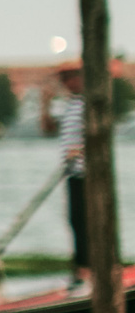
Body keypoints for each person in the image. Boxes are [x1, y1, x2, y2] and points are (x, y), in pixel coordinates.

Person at [58, 66, 89, 288]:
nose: (68, 82)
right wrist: (43, 102)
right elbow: (47, 128)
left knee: (86, 220)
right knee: (75, 221)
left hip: (88, 172)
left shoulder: (89, 104)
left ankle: (87, 269)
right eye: (64, 79)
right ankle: (80, 267)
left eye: (71, 77)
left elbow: (98, 132)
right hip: (72, 173)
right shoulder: (69, 107)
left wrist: (80, 149)